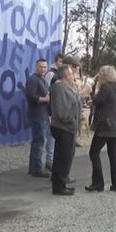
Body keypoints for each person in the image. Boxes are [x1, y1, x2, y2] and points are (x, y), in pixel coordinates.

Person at [85, 66, 116, 193]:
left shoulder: (105, 87)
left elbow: (97, 100)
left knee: (94, 152)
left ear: (104, 76)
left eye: (100, 74)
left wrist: (95, 89)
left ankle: (98, 183)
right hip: (115, 124)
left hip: (105, 125)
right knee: (113, 154)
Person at [49, 65, 82, 196]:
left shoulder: (68, 88)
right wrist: (72, 120)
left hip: (68, 128)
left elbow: (74, 102)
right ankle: (59, 186)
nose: (73, 75)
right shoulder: (60, 88)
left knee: (64, 157)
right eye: (71, 73)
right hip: (63, 128)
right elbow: (63, 112)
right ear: (65, 76)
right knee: (63, 157)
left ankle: (61, 184)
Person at [25, 59, 51, 178]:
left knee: (39, 141)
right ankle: (36, 169)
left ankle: (34, 168)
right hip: (37, 115)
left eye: (45, 67)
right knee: (39, 142)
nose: (43, 69)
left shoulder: (43, 80)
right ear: (36, 67)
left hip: (44, 114)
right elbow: (30, 96)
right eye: (41, 67)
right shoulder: (33, 79)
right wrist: (44, 99)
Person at [42, 54, 65, 170]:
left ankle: (51, 159)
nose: (62, 64)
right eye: (60, 61)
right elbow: (47, 90)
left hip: (56, 108)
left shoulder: (59, 74)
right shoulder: (51, 74)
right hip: (51, 108)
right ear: (56, 61)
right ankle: (49, 160)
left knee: (54, 136)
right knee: (51, 135)